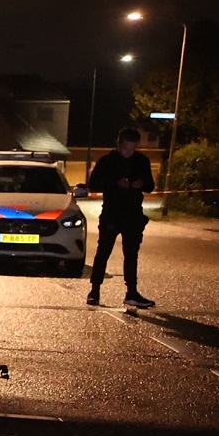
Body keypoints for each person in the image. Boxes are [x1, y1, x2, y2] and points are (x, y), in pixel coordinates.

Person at [85, 128, 155, 308]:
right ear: (119, 144)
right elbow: (93, 185)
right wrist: (114, 183)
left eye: (133, 149)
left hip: (133, 215)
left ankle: (132, 292)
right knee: (103, 252)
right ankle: (95, 291)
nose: (129, 153)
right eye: (126, 149)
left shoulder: (141, 161)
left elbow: (150, 185)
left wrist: (141, 183)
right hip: (111, 213)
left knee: (131, 254)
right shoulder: (107, 162)